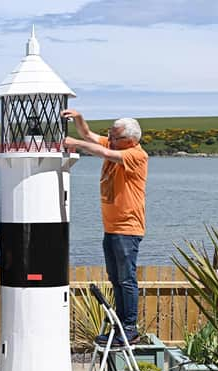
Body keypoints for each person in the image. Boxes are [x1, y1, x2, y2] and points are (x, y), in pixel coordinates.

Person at [62, 109, 148, 345]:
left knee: (126, 278)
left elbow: (100, 150)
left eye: (114, 135)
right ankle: (119, 325)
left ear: (129, 140)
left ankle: (129, 327)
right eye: (110, 132)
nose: (109, 137)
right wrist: (78, 118)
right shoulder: (116, 144)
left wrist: (74, 143)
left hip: (127, 228)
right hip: (111, 228)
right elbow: (90, 136)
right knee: (115, 278)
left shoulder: (136, 155)